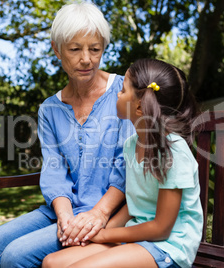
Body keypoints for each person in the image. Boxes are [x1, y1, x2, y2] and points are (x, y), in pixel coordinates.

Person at [0, 2, 134, 267]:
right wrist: (65, 216)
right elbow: (54, 170)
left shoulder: (123, 93)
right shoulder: (49, 108)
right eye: (74, 49)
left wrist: (99, 214)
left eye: (95, 49)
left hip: (111, 213)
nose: (86, 59)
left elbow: (126, 167)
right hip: (62, 210)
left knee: (16, 256)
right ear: (57, 50)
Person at [42, 58, 204, 268]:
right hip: (137, 234)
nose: (117, 93)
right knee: (52, 263)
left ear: (138, 107)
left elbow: (162, 228)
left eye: (123, 90)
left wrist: (104, 237)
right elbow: (135, 203)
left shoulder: (172, 150)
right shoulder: (131, 145)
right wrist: (99, 232)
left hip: (169, 246)